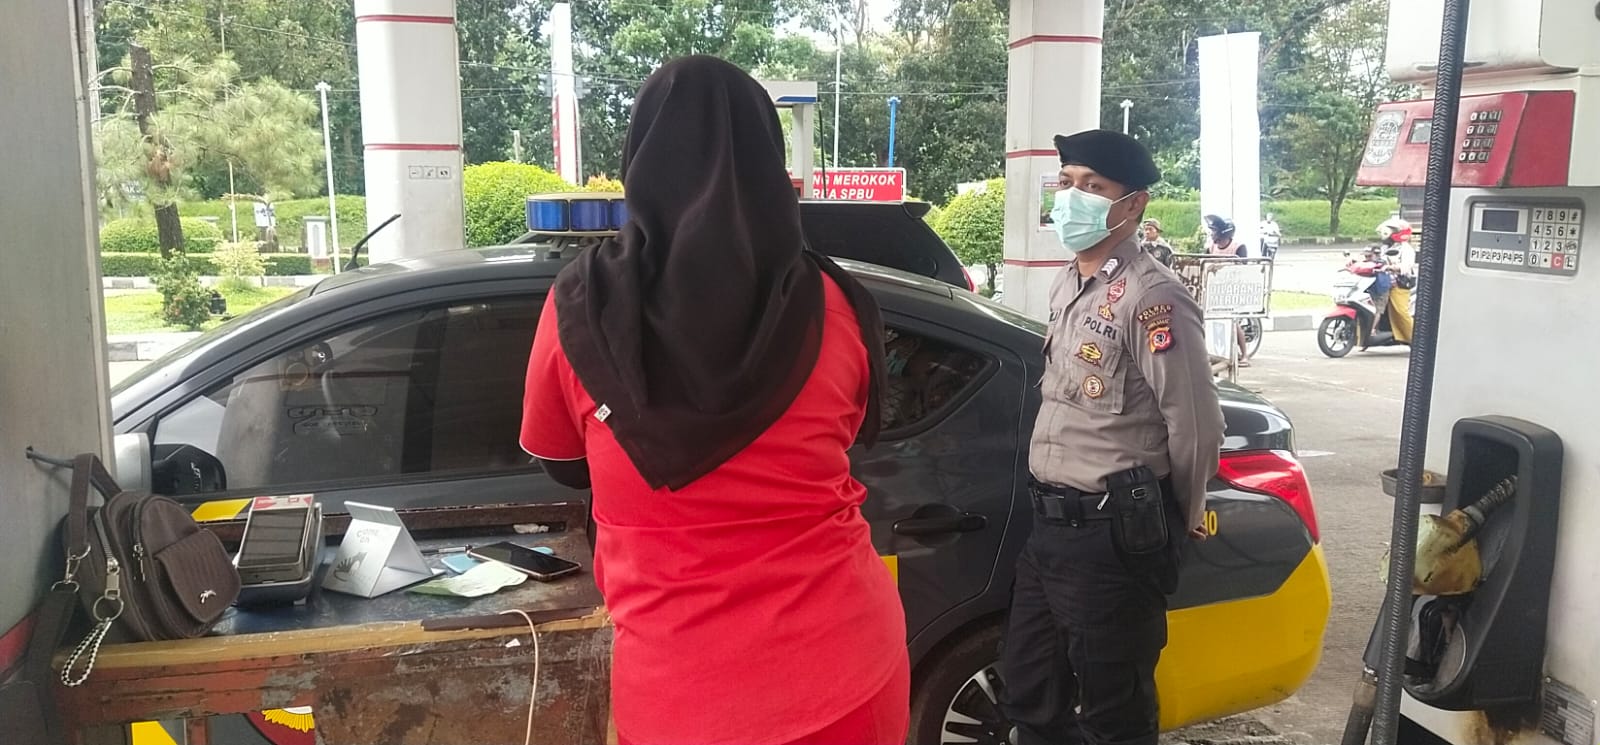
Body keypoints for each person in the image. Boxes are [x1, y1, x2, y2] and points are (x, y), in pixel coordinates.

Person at [519, 56, 908, 745]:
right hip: (847, 669)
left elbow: (563, 463)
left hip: (679, 691)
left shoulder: (581, 308)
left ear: (640, 160)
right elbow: (846, 435)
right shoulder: (838, 305)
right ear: (769, 162)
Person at [1000, 128, 1226, 745]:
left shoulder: (1153, 298)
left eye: (1093, 187)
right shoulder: (1069, 283)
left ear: (1134, 204)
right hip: (1049, 529)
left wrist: (1180, 517)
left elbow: (1197, 424)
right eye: (1068, 182)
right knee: (1030, 693)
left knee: (1113, 714)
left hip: (1110, 537)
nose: (1073, 197)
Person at [1202, 214, 1253, 365]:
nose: (1212, 234)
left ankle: (1244, 355)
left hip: (1232, 291)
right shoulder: (1210, 248)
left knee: (1232, 322)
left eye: (1214, 231)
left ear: (1224, 232)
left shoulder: (1238, 247)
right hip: (1214, 289)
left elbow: (1242, 270)